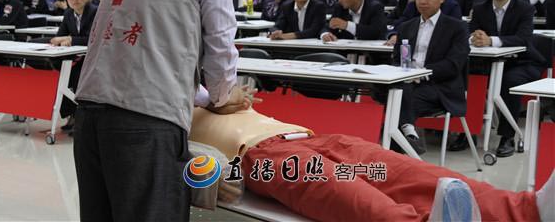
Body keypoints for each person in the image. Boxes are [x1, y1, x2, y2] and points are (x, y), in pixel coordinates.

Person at [73, 0, 252, 222]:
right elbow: (220, 43)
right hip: (145, 125)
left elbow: (149, 51)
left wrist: (203, 98)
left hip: (90, 116)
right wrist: (221, 95)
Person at [189, 107, 552, 222]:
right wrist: (212, 176)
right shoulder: (165, 112)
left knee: (413, 173)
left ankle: (528, 209)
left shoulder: (215, 86)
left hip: (312, 138)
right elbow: (180, 163)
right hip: (263, 158)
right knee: (359, 201)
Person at [468, 0, 544, 157]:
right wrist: (475, 37)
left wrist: (491, 40)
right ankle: (467, 131)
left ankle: (507, 136)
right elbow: (471, 31)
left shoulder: (524, 8)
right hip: (489, 62)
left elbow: (523, 39)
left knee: (509, 81)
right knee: (469, 76)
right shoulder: (480, 7)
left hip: (523, 61)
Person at [389, 0, 470, 155]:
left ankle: (399, 149)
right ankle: (409, 136)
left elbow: (453, 65)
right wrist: (404, 73)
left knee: (397, 99)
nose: (422, 1)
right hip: (407, 83)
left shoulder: (457, 27)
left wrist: (421, 74)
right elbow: (396, 59)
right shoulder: (406, 27)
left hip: (439, 86)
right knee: (386, 92)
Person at [50, 0, 98, 133]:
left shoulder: (95, 12)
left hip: (93, 58)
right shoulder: (68, 14)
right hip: (76, 57)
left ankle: (80, 118)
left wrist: (71, 39)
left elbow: (93, 38)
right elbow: (60, 36)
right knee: (61, 75)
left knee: (74, 75)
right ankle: (71, 114)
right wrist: (62, 39)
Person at [321, 0, 387, 41]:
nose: (339, 0)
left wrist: (347, 25)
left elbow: (375, 32)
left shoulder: (375, 7)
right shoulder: (340, 7)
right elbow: (328, 26)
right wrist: (325, 34)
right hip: (345, 48)